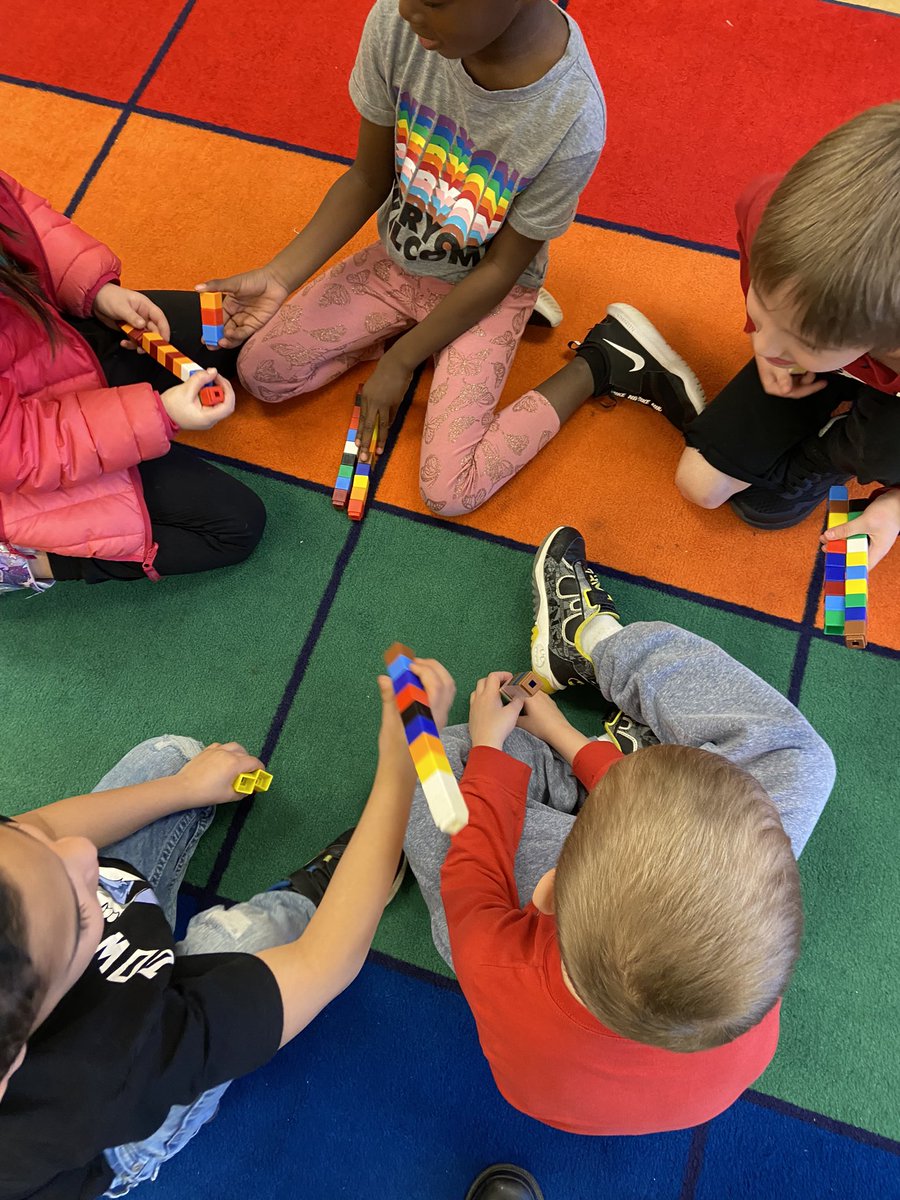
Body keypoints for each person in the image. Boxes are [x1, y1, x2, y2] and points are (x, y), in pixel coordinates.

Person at [404, 526, 836, 1135]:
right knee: (802, 764)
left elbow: (471, 873)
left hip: (523, 951)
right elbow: (674, 839)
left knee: (431, 774)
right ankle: (594, 659)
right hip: (635, 924)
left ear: (548, 891)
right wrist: (566, 737)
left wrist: (487, 746)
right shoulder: (744, 996)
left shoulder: (502, 967)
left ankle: (607, 701)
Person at [198, 0, 646, 516]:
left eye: (433, 0)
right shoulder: (396, 22)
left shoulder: (573, 118)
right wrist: (280, 276)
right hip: (400, 262)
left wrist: (402, 359)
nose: (408, 9)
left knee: (451, 492)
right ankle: (406, 330)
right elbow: (368, 178)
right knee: (261, 373)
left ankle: (602, 361)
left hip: (490, 289)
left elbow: (502, 268)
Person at [0, 667, 422, 1198]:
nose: (80, 850)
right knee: (254, 935)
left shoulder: (43, 934)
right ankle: (314, 893)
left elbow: (44, 829)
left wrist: (182, 788)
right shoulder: (111, 1074)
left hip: (96, 967)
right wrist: (399, 773)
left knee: (168, 758)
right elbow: (326, 962)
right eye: (74, 909)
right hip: (127, 1114)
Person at [566, 104, 900, 570]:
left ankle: (837, 449)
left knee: (869, 460)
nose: (763, 346)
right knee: (704, 488)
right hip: (853, 348)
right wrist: (775, 340)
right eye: (763, 304)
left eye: (799, 341)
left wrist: (892, 508)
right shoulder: (772, 214)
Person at [0, 169, 265, 594]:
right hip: (24, 461)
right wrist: (159, 414)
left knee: (223, 332)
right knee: (236, 525)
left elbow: (23, 218)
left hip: (48, 347)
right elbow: (21, 449)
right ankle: (25, 563)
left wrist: (95, 291)